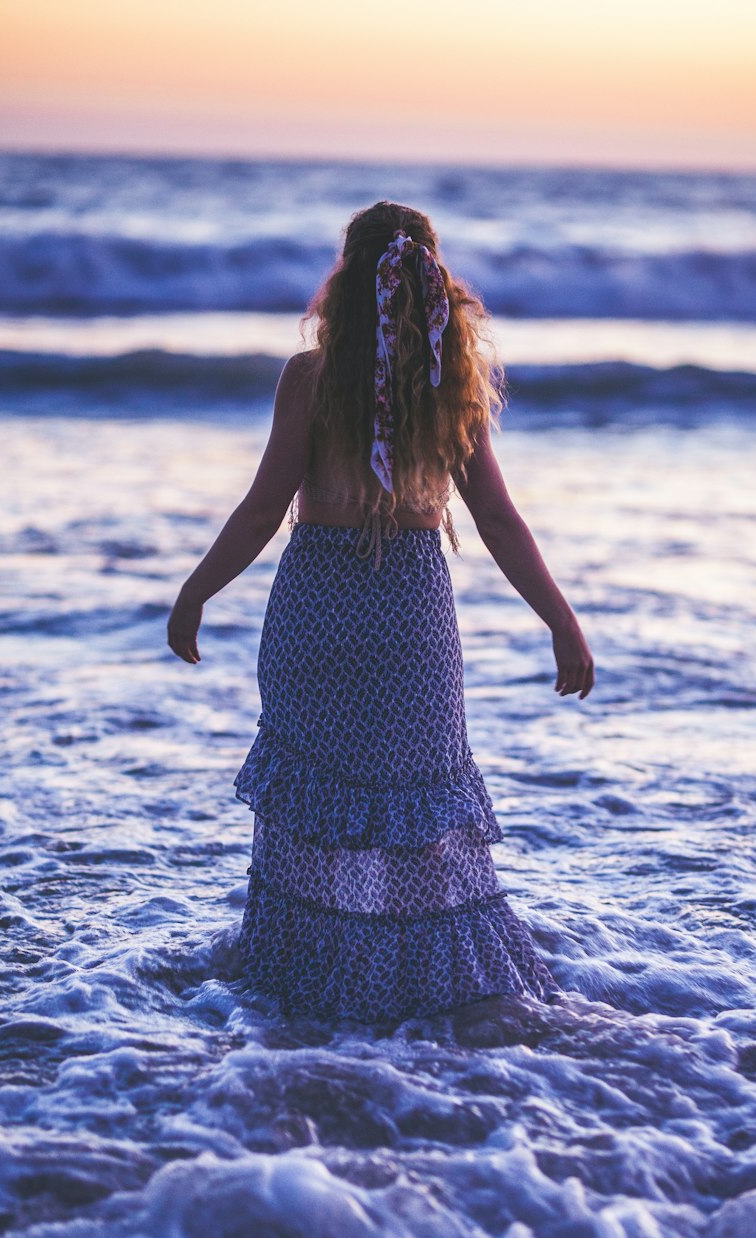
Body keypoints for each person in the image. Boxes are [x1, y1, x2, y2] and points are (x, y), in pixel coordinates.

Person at [167, 200, 594, 1024]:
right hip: (412, 613)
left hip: (319, 609)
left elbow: (263, 510)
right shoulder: (450, 386)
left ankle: (315, 985)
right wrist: (560, 621)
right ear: (433, 284)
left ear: (347, 280)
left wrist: (195, 593)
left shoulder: (311, 377)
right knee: (416, 803)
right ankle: (429, 989)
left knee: (320, 798)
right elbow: (498, 520)